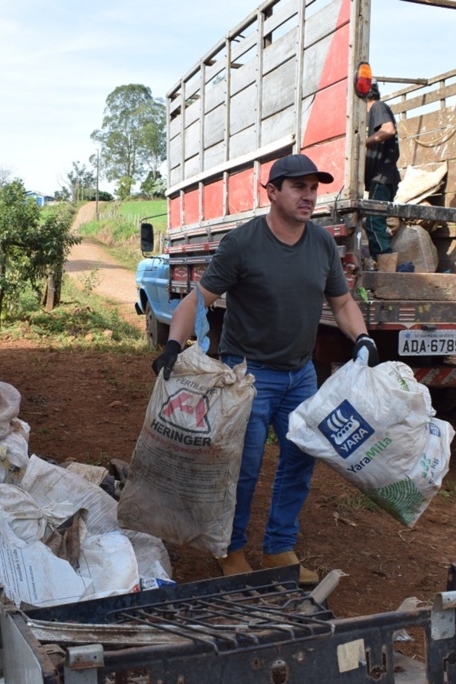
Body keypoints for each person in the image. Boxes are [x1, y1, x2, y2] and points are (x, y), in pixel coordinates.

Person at [150, 153, 378, 585]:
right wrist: (174, 345)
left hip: (302, 376)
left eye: (313, 188)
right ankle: (231, 548)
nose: (308, 195)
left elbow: (343, 302)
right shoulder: (243, 244)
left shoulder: (322, 244)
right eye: (298, 187)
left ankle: (278, 547)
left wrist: (361, 337)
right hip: (248, 375)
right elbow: (199, 299)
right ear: (272, 192)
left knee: (300, 461)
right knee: (243, 468)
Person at [363, 82, 401, 256]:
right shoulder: (376, 112)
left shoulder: (377, 107)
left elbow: (388, 129)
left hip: (381, 178)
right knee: (377, 223)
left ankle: (385, 265)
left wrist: (363, 143)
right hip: (384, 179)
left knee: (373, 222)